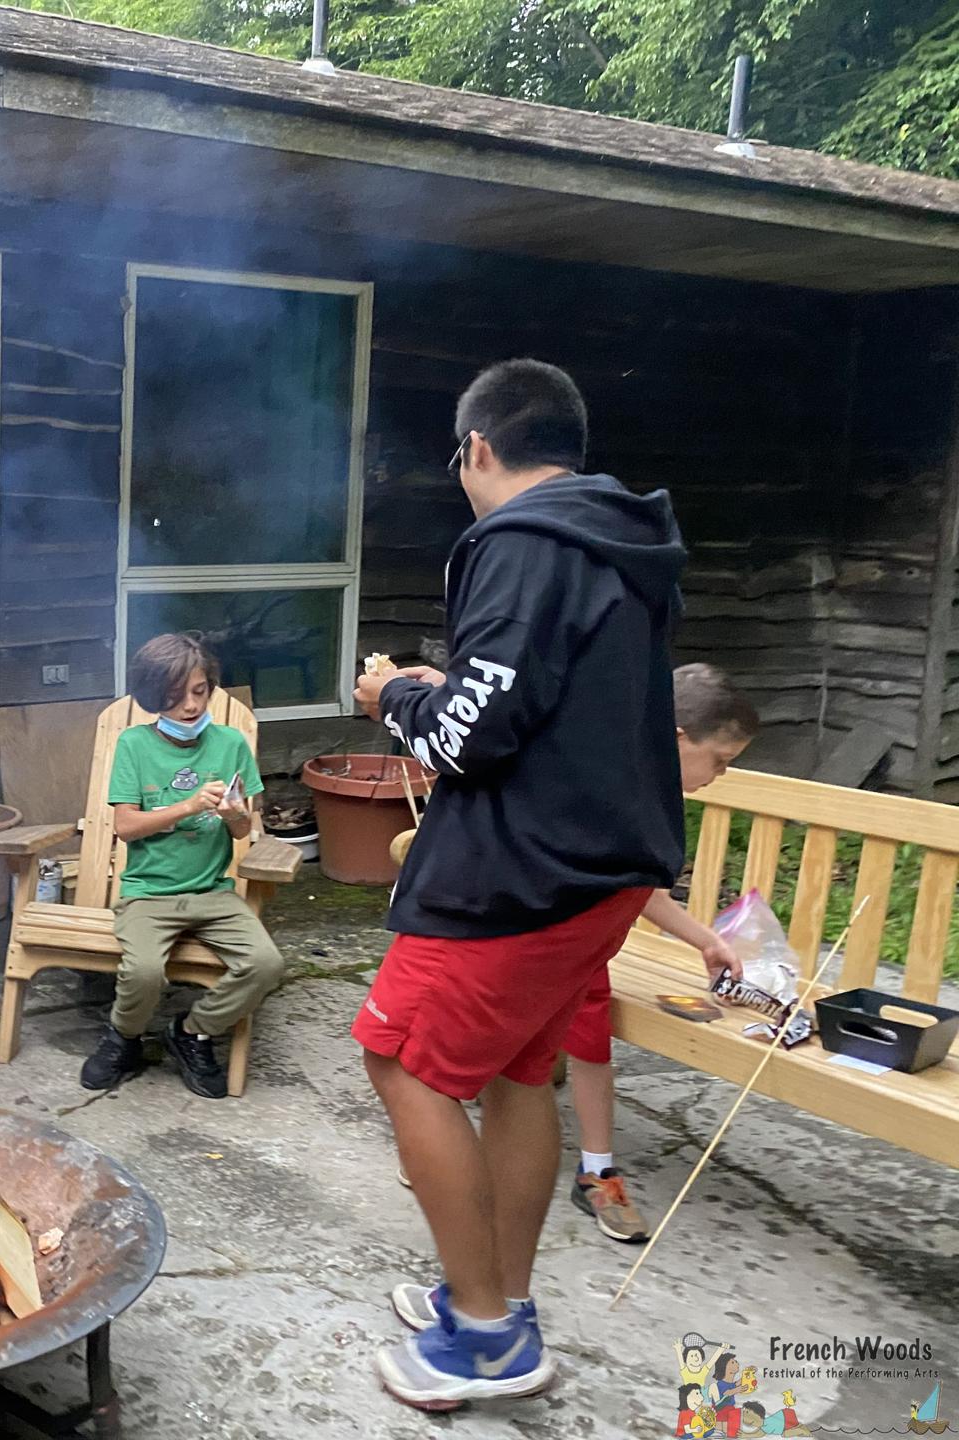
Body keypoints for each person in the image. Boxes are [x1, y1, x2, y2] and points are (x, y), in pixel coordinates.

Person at [352, 359, 687, 1409]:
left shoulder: (521, 541)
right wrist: (448, 689)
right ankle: (500, 1297)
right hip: (602, 869)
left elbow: (470, 738)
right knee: (515, 1075)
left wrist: (394, 696)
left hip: (517, 876)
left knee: (402, 1063)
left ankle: (487, 1337)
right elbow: (544, 699)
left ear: (479, 448)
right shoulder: (618, 540)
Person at [566, 662, 759, 1242]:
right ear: (676, 738)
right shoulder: (599, 781)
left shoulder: (658, 799)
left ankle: (598, 1170)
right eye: (720, 759)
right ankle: (436, 1146)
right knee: (489, 1040)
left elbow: (644, 893)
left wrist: (707, 939)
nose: (722, 774)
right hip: (536, 941)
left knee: (591, 1047)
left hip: (586, 954)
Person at [80, 632, 286, 1100]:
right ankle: (123, 1039)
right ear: (154, 696)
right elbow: (126, 827)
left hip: (213, 893)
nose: (191, 706)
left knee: (266, 964)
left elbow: (242, 829)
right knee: (143, 973)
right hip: (149, 894)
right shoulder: (133, 744)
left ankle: (191, 1031)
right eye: (175, 696)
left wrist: (234, 815)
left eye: (199, 691)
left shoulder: (231, 743)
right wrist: (190, 805)